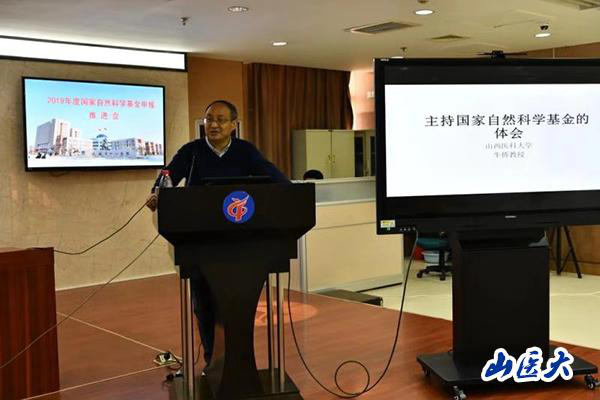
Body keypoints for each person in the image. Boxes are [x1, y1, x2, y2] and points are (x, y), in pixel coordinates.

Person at [146, 100, 289, 366]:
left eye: (221, 120)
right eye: (209, 119)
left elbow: (275, 179)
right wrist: (158, 193)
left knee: (238, 305)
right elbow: (167, 178)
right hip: (200, 243)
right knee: (205, 305)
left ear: (233, 125)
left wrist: (290, 193)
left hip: (241, 244)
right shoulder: (191, 152)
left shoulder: (246, 151)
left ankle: (239, 363)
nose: (213, 125)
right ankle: (212, 361)